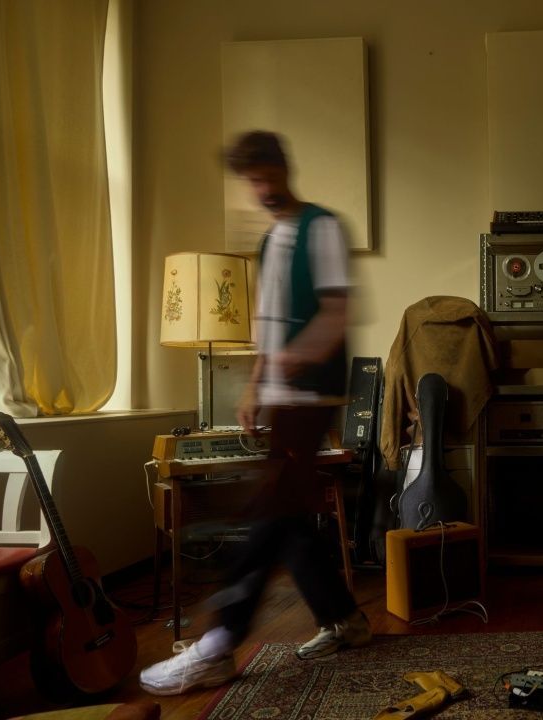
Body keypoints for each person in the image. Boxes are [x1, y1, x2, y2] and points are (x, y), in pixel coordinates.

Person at [140, 130, 371, 696]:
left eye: (267, 176)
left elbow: (336, 313)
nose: (262, 189)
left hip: (312, 394)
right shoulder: (270, 242)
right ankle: (345, 619)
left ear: (284, 169)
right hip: (280, 393)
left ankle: (219, 644)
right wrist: (253, 386)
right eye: (252, 181)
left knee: (268, 512)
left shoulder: (323, 227)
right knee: (290, 519)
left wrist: (297, 358)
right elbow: (267, 326)